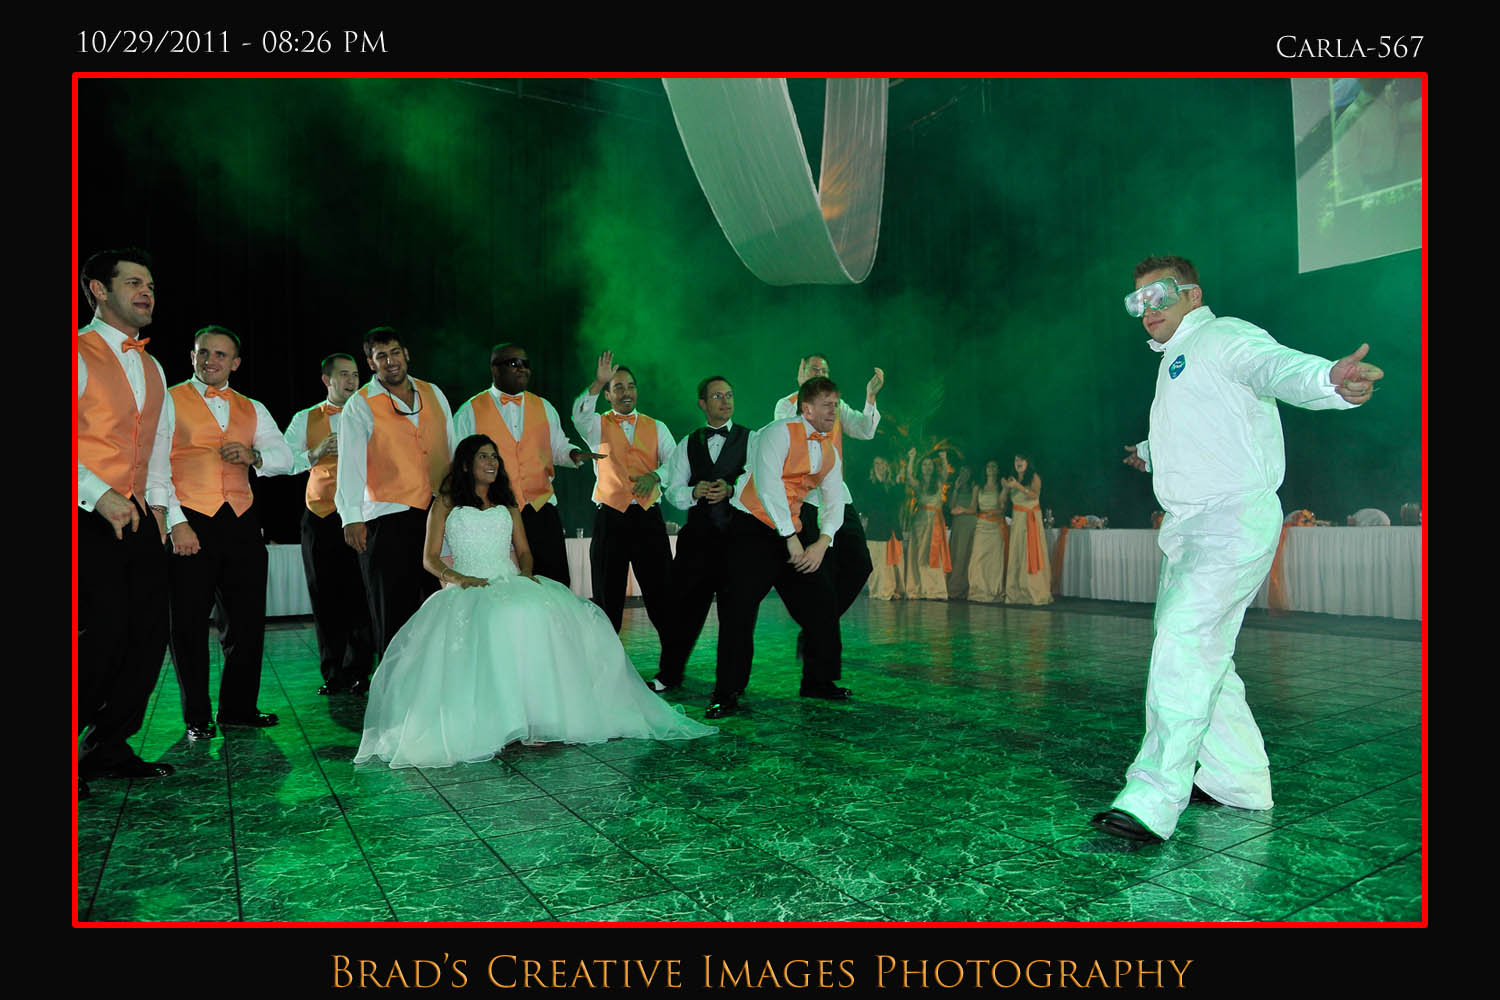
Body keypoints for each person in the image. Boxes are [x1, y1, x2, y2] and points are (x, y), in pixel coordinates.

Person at [1092, 254, 1383, 844]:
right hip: (1189, 529)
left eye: (1158, 294)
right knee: (1206, 656)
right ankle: (1241, 782)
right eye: (1137, 301)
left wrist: (1330, 379)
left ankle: (1153, 796)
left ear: (1193, 295)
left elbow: (1273, 366)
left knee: (1184, 642)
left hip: (1230, 519)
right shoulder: (1175, 361)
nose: (1147, 308)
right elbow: (1200, 430)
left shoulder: (1222, 335)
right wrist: (1149, 454)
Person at [354, 436, 716, 768]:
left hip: (508, 578)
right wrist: (460, 579)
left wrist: (525, 576)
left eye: (495, 457)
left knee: (534, 613)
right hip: (466, 585)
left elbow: (524, 551)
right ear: (466, 463)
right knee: (491, 620)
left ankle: (536, 719)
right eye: (484, 457)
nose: (492, 463)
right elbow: (430, 559)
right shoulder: (446, 502)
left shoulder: (507, 502)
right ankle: (494, 721)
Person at [161, 326, 294, 740]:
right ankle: (196, 715)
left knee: (246, 621)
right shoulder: (168, 400)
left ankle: (238, 708)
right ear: (192, 356)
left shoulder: (252, 407)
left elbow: (285, 457)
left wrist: (255, 456)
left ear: (235, 363)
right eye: (204, 352)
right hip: (190, 519)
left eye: (220, 355)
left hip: (241, 520)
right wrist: (175, 522)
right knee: (187, 623)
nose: (210, 361)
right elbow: (153, 466)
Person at [77, 248, 177, 793]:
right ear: (97, 289)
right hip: (82, 513)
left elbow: (158, 446)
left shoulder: (153, 365)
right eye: (134, 282)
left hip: (137, 513)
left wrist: (157, 508)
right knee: (102, 632)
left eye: (151, 285)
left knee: (148, 633)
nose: (147, 293)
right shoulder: (76, 351)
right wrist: (98, 495)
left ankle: (108, 745)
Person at [709, 377, 851, 718]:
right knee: (738, 609)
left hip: (793, 532)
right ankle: (727, 692)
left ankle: (818, 680)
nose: (834, 411)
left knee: (822, 601)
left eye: (836, 405)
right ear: (807, 408)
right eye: (827, 405)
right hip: (752, 529)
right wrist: (790, 538)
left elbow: (835, 501)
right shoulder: (777, 433)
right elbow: (768, 486)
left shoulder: (829, 451)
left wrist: (822, 543)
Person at [335, 327, 455, 673]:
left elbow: (452, 445)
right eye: (381, 356)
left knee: (441, 604)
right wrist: (351, 517)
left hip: (438, 513)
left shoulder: (433, 393)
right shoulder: (360, 404)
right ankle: (395, 690)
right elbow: (350, 465)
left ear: (406, 354)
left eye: (395, 353)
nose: (390, 361)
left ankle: (439, 680)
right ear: (371, 363)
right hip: (388, 516)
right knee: (393, 610)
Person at [452, 342, 597, 587]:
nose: (522, 369)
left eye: (525, 364)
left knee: (554, 582)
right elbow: (459, 461)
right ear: (495, 369)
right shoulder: (469, 411)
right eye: (513, 363)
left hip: (540, 506)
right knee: (507, 583)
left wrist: (572, 454)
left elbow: (558, 447)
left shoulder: (544, 407)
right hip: (494, 510)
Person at [283, 353, 375, 696]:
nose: (352, 381)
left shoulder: (371, 413)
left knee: (362, 594)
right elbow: (285, 461)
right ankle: (333, 671)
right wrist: (316, 451)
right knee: (325, 595)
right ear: (327, 380)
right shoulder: (305, 418)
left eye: (356, 375)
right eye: (345, 375)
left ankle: (359, 670)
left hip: (363, 513)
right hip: (321, 515)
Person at [652, 375, 749, 691]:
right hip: (697, 541)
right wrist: (694, 492)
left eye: (729, 394)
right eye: (717, 396)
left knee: (736, 616)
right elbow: (672, 491)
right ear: (703, 404)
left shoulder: (752, 439)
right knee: (682, 609)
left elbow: (762, 484)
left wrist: (732, 489)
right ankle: (669, 674)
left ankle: (731, 687)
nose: (725, 401)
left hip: (738, 540)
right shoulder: (689, 442)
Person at [571, 352, 676, 637]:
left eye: (630, 386)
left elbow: (676, 463)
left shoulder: (657, 426)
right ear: (607, 395)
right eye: (618, 387)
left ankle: (671, 659)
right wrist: (597, 383)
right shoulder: (596, 426)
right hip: (610, 517)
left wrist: (655, 476)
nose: (626, 392)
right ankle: (607, 657)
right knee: (608, 595)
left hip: (647, 517)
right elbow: (579, 415)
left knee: (661, 591)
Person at [772, 354, 884, 617]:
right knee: (818, 569)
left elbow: (865, 429)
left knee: (860, 563)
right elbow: (787, 435)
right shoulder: (787, 404)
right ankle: (820, 627)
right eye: (814, 369)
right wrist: (805, 395)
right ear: (801, 372)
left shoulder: (837, 406)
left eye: (824, 371)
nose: (820, 374)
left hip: (834, 493)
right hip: (804, 497)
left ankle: (822, 623)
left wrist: (870, 397)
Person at [1002, 454, 1052, 606]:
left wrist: (1018, 486)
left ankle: (1033, 590)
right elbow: (1002, 502)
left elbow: (1035, 495)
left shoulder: (1034, 477)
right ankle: (1017, 592)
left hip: (1031, 520)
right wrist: (1005, 488)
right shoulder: (1012, 479)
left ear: (1027, 462)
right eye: (1016, 460)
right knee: (1017, 553)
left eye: (1021, 460)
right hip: (1017, 520)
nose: (1018, 462)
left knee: (1030, 552)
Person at [903, 448, 951, 599]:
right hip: (921, 521)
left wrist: (944, 459)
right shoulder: (918, 484)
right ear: (921, 468)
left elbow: (946, 473)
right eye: (924, 465)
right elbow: (909, 477)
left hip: (935, 520)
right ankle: (919, 588)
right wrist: (911, 458)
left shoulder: (938, 482)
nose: (927, 467)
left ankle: (934, 589)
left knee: (934, 555)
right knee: (920, 554)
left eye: (930, 464)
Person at [863, 456, 906, 600]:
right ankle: (880, 590)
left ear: (887, 466)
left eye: (882, 463)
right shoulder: (869, 484)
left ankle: (891, 589)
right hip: (876, 529)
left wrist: (898, 480)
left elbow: (899, 499)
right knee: (878, 561)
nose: (880, 466)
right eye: (876, 463)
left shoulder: (892, 484)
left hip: (891, 528)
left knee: (891, 562)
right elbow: (869, 504)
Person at [968, 459, 1008, 603]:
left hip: (996, 526)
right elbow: (973, 508)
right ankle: (978, 590)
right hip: (981, 526)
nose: (991, 468)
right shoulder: (978, 487)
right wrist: (962, 510)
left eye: (994, 466)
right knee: (978, 558)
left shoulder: (1001, 487)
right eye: (988, 466)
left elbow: (1003, 508)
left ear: (998, 470)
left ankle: (993, 590)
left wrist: (993, 512)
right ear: (985, 470)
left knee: (994, 560)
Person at [946, 465, 979, 600]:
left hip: (969, 523)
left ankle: (964, 588)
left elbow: (974, 508)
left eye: (966, 471)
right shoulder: (956, 488)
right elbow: (951, 506)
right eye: (962, 471)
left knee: (965, 554)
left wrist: (962, 510)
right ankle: (953, 587)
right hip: (958, 525)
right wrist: (955, 489)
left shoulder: (974, 487)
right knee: (955, 554)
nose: (964, 474)